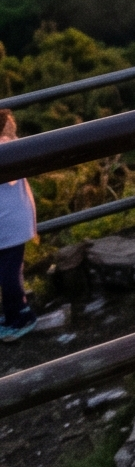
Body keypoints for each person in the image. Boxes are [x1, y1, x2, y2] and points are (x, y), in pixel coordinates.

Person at [0, 111, 32, 340]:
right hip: (9, 222)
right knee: (9, 272)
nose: (15, 126)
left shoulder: (9, 145)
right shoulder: (7, 146)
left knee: (8, 272)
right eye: (11, 124)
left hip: (10, 223)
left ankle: (19, 314)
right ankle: (16, 315)